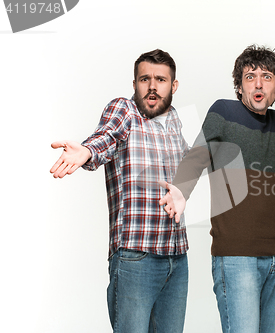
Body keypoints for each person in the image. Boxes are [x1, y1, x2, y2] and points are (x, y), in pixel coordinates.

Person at [160, 44, 275, 333]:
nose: (259, 83)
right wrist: (180, 190)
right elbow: (199, 155)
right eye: (250, 77)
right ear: (240, 86)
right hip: (236, 259)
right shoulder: (223, 112)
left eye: (267, 76)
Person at [50, 49, 190, 333]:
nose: (152, 87)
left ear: (173, 86)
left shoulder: (175, 119)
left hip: (177, 257)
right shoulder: (124, 110)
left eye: (161, 80)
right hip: (136, 257)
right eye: (144, 79)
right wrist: (87, 151)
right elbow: (106, 138)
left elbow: (190, 168)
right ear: (135, 83)